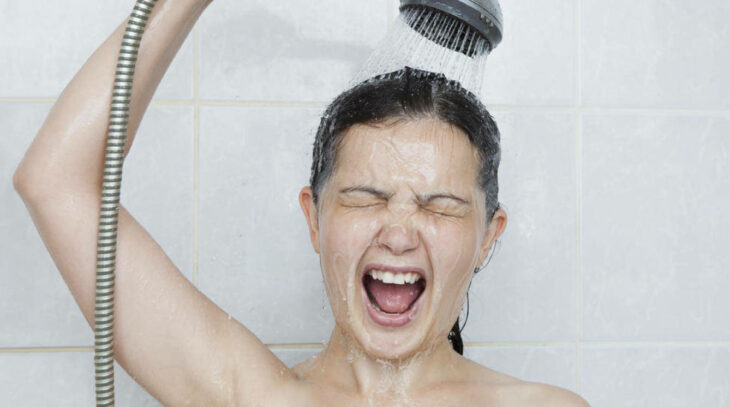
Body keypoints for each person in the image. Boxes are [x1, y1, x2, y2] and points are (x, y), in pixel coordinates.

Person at [12, 0, 590, 405]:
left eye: (439, 207)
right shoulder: (248, 396)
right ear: (314, 216)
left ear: (490, 234)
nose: (399, 232)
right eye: (365, 198)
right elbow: (55, 181)